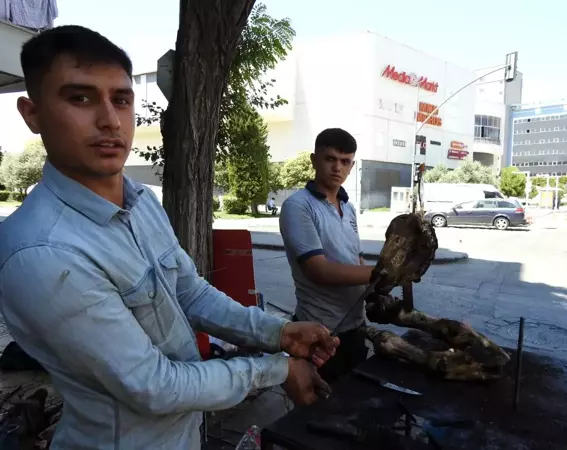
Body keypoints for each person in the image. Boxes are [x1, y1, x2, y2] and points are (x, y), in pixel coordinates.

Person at [0, 26, 339, 449]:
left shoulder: (140, 200)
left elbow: (190, 293)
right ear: (32, 114)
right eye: (80, 98)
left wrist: (277, 333)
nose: (109, 119)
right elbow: (154, 385)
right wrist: (277, 369)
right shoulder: (41, 252)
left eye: (121, 99)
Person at [279, 128, 374, 384]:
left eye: (345, 162)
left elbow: (357, 260)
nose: (337, 168)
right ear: (314, 160)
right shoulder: (298, 206)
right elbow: (318, 270)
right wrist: (383, 272)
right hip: (317, 335)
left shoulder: (349, 208)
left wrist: (375, 289)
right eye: (330, 159)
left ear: (352, 166)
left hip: (355, 328)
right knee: (319, 413)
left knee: (353, 407)